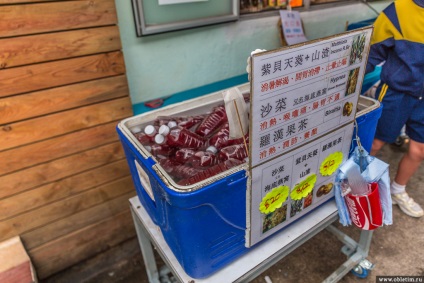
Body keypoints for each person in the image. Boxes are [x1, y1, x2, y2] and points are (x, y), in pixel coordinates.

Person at [366, 0, 424, 217]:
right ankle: (355, 186)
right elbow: (371, 53)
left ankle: (398, 190)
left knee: (419, 150)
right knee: (375, 142)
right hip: (395, 93)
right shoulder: (397, 11)